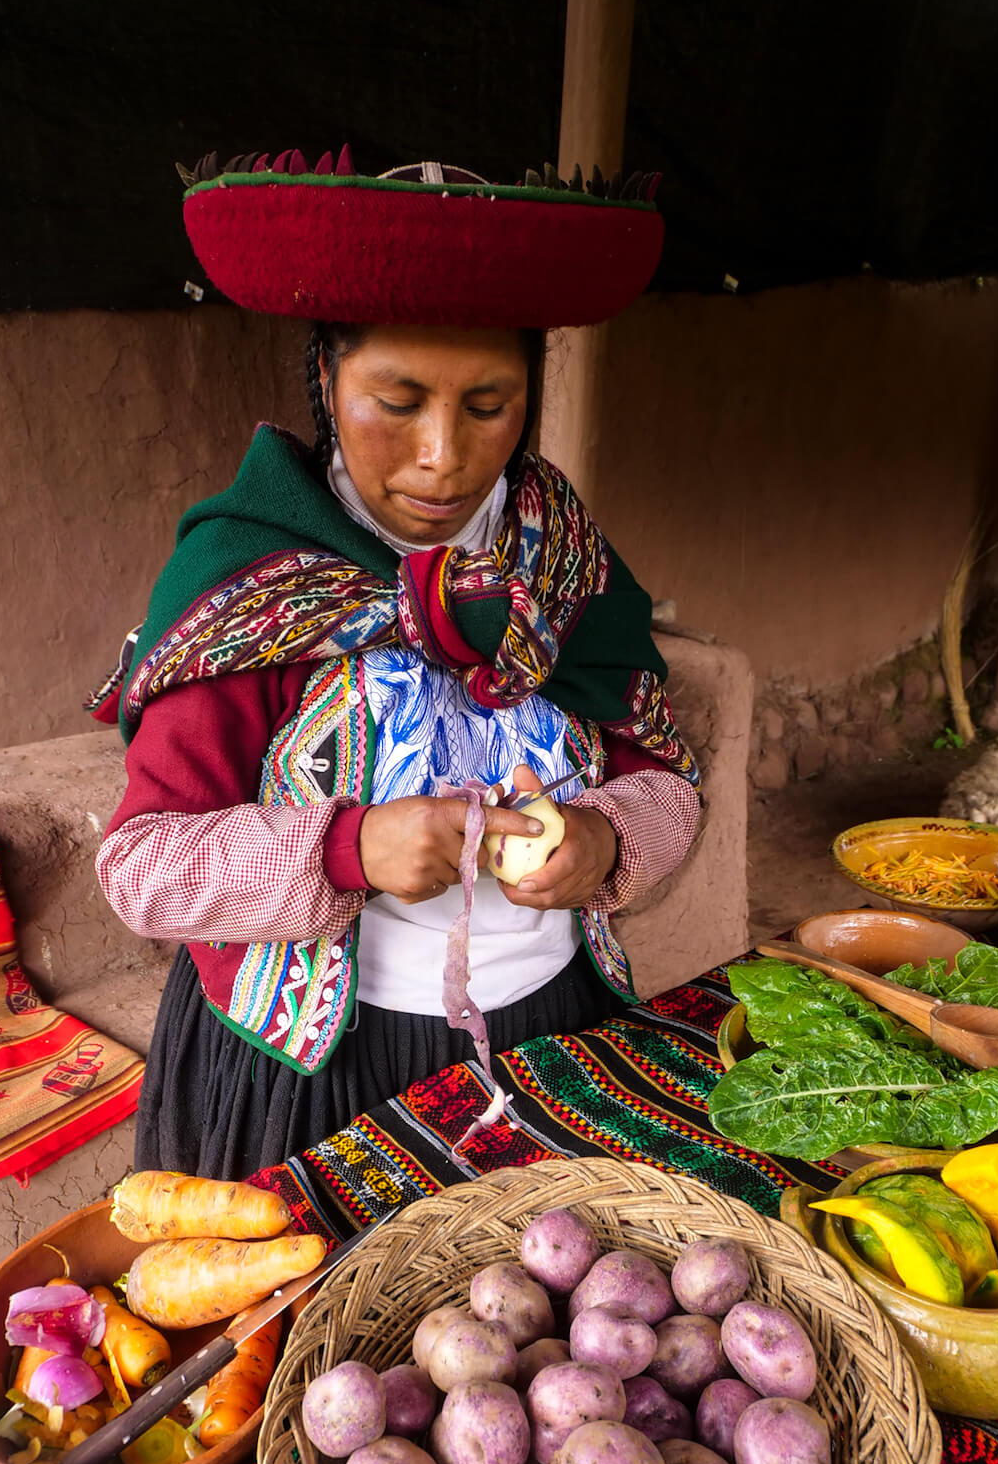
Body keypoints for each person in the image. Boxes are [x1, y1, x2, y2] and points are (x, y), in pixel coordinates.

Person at [91, 149, 702, 1177]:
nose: (442, 456)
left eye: (487, 406)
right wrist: (351, 849)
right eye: (398, 399)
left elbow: (665, 783)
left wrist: (602, 843)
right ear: (327, 380)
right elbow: (143, 867)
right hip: (319, 1080)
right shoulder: (252, 581)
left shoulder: (563, 562)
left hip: (552, 1038)